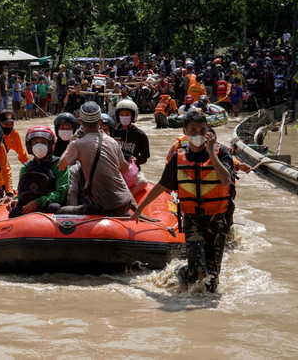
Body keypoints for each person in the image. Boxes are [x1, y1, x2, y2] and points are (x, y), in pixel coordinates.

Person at [133, 112, 233, 292]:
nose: (198, 134)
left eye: (202, 130)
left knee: (212, 278)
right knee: (199, 270)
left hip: (218, 220)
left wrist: (211, 152)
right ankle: (181, 273)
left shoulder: (222, 152)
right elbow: (161, 186)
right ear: (184, 131)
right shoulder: (178, 158)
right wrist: (140, 207)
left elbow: (226, 180)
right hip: (193, 219)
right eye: (193, 130)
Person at [58, 102, 135, 216]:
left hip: (108, 208)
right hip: (126, 203)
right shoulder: (112, 141)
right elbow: (125, 170)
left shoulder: (77, 145)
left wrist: (71, 143)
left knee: (62, 211)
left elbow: (61, 166)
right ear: (99, 122)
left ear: (80, 121)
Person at [6, 125, 69, 218]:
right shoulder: (25, 167)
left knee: (54, 207)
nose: (39, 146)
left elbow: (60, 193)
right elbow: (22, 193)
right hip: (30, 206)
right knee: (14, 213)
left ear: (50, 144)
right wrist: (17, 200)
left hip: (50, 205)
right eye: (35, 142)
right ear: (30, 146)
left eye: (43, 142)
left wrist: (37, 203)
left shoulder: (59, 165)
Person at [112, 99, 150, 195]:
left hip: (133, 171)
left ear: (133, 116)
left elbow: (145, 157)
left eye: (127, 115)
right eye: (122, 115)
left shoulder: (140, 135)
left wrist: (137, 159)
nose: (124, 117)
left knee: (144, 182)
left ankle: (126, 197)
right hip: (115, 169)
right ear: (118, 116)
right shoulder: (113, 131)